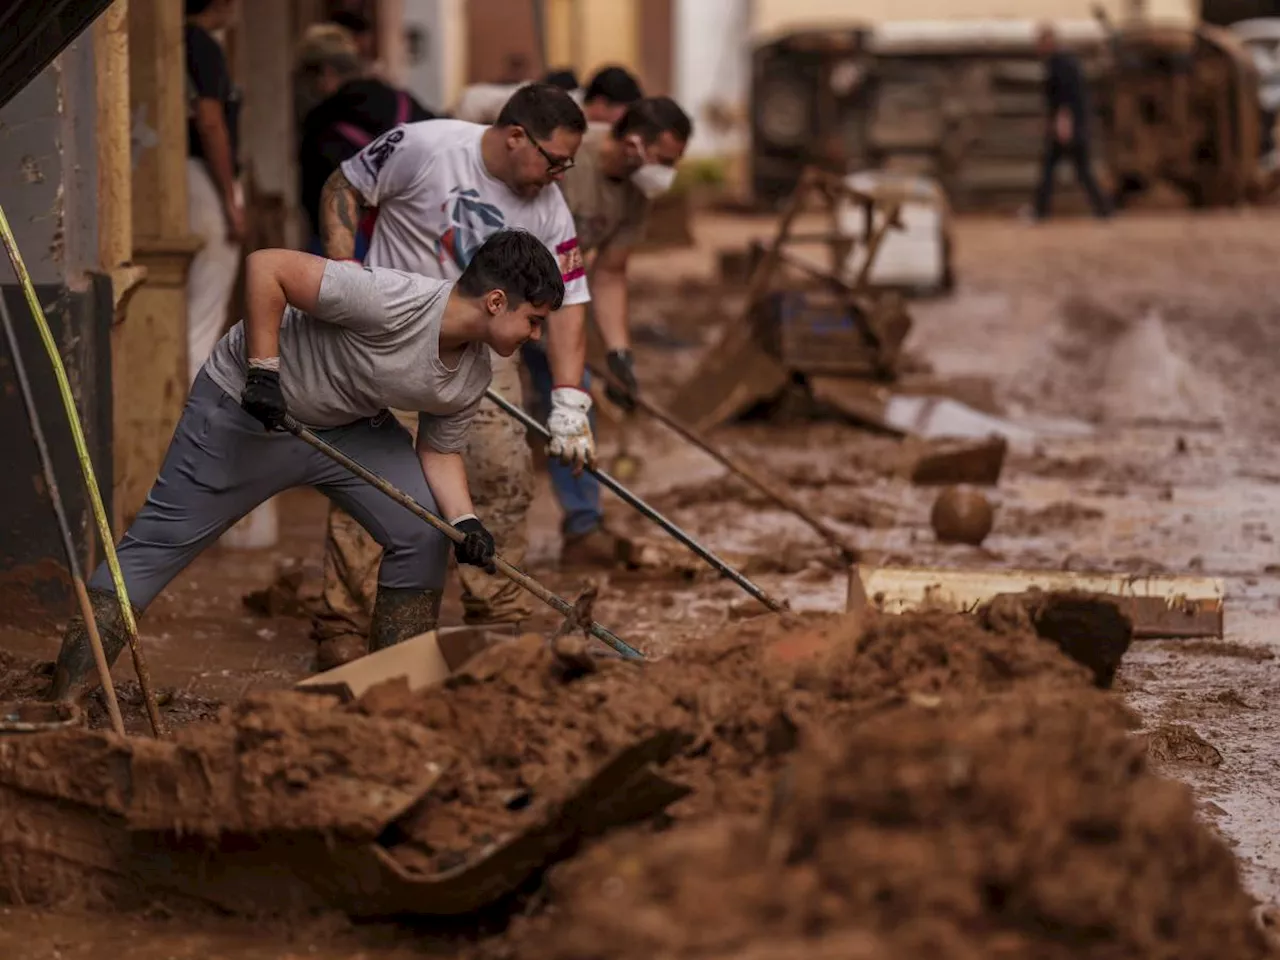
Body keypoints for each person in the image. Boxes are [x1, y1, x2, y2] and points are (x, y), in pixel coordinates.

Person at [48, 230, 564, 704]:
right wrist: (264, 372)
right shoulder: (393, 297)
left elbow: (440, 450)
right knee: (156, 546)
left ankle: (395, 699)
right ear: (497, 302)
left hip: (347, 428)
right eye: (534, 320)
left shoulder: (472, 372)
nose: (536, 336)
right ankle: (66, 695)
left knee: (424, 532)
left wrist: (465, 522)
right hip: (248, 413)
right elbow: (265, 266)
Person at [310, 82, 593, 668]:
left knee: (503, 475)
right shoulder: (426, 147)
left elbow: (569, 303)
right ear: (516, 136)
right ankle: (343, 626)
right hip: (392, 343)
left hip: (487, 353)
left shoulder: (547, 204)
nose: (560, 174)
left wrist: (569, 400)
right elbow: (344, 185)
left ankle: (498, 618)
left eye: (570, 163)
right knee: (373, 479)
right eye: (555, 159)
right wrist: (344, 276)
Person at [525, 96, 692, 566]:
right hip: (498, 296)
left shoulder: (635, 195)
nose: (668, 174)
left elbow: (611, 273)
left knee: (576, 397)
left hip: (556, 306)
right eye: (666, 161)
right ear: (634, 143)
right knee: (487, 414)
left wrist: (620, 354)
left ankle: (582, 526)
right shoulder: (569, 155)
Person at [295, 24, 434, 258]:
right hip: (415, 237)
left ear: (326, 72)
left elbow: (316, 202)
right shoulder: (402, 101)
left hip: (355, 245)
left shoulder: (321, 123)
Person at [185, 0, 245, 383]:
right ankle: (197, 414)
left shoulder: (179, 42)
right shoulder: (201, 44)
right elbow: (211, 122)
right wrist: (230, 198)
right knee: (203, 313)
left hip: (184, 175)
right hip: (202, 177)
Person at [1032, 23, 1110, 221]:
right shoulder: (1063, 62)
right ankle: (1103, 210)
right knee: (1076, 170)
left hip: (1068, 126)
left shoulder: (1060, 64)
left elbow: (1065, 97)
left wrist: (1063, 122)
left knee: (1063, 170)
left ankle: (1040, 212)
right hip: (1073, 125)